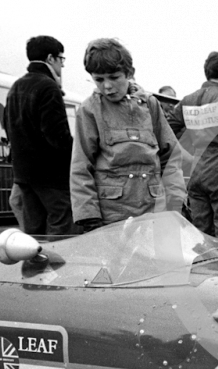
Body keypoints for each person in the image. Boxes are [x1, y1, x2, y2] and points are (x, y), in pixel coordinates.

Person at [70, 38, 186, 231]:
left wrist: (175, 201)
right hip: (112, 218)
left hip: (154, 212)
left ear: (129, 73)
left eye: (114, 77)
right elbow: (81, 166)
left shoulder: (150, 105)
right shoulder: (89, 110)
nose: (107, 86)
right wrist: (88, 215)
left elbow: (171, 155)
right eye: (99, 79)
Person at [167, 52, 218, 241]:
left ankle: (206, 268)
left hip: (197, 168)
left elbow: (167, 128)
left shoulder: (188, 100)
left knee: (201, 232)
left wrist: (186, 156)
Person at [3, 35, 75, 235]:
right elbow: (56, 135)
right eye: (62, 59)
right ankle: (60, 266)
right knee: (61, 226)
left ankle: (35, 265)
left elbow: (6, 125)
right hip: (51, 174)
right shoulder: (49, 86)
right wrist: (75, 157)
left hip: (24, 174)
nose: (62, 65)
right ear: (51, 58)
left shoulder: (16, 86)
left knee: (34, 230)